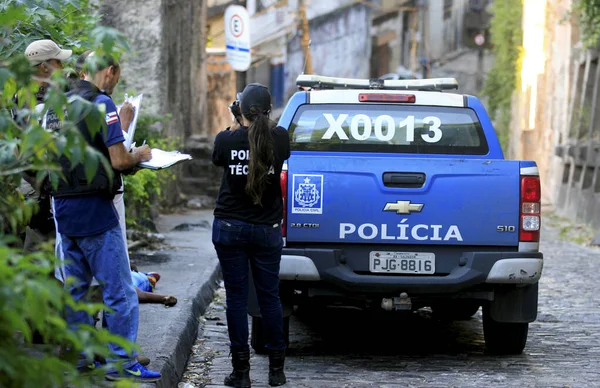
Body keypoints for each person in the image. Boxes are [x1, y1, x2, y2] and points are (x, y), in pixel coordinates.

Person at [51, 52, 161, 382]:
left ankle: (82, 357)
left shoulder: (57, 103)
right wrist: (139, 154)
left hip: (63, 207)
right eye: (116, 77)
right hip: (96, 211)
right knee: (120, 291)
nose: (115, 84)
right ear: (110, 72)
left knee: (77, 290)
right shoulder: (102, 104)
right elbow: (118, 160)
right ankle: (122, 364)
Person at [211, 83, 291, 387]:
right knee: (270, 298)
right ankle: (276, 370)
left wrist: (236, 123)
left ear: (240, 110)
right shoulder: (280, 138)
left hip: (230, 227)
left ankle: (241, 372)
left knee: (236, 298)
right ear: (269, 110)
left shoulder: (226, 139)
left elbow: (220, 156)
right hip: (267, 230)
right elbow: (270, 142)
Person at [13, 39, 73, 253]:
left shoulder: (33, 93)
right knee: (40, 247)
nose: (63, 67)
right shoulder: (29, 100)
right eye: (58, 62)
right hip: (38, 188)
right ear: (44, 67)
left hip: (43, 186)